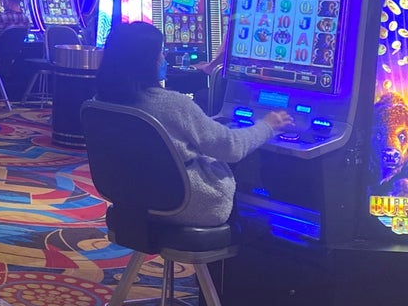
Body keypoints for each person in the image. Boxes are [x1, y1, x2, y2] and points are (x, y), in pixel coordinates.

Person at [94, 21, 292, 226]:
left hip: (132, 196)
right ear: (145, 62)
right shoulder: (171, 104)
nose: (163, 59)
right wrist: (267, 125)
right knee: (253, 204)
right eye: (160, 53)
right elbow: (231, 147)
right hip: (189, 204)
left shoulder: (100, 102)